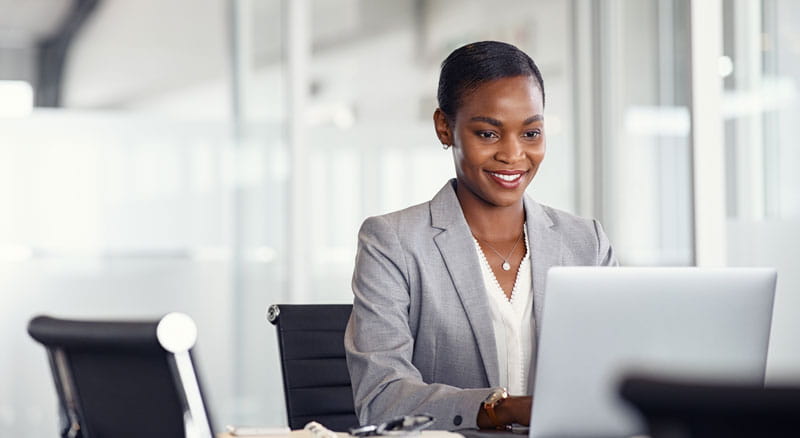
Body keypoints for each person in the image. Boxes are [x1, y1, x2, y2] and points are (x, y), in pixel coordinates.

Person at [344, 41, 618, 431]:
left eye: (531, 133)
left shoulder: (586, 242)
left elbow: (618, 374)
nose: (513, 154)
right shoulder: (393, 242)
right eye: (488, 134)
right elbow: (382, 397)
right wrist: (502, 409)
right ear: (444, 127)